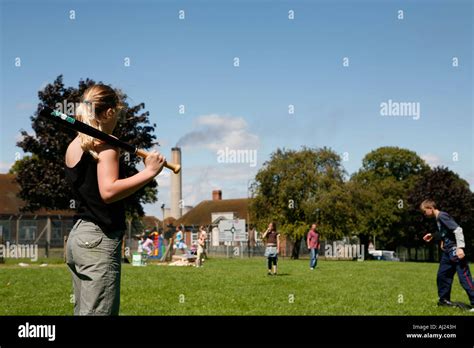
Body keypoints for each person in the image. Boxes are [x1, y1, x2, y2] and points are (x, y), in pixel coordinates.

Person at [65, 84, 165, 315]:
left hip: (78, 239)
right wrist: (148, 173)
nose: (117, 120)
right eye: (118, 114)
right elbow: (108, 192)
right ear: (110, 112)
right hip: (98, 239)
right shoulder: (106, 144)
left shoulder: (75, 145)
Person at [420, 199, 474, 310]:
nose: (424, 214)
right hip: (447, 252)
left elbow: (458, 230)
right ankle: (444, 301)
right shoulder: (438, 219)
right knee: (442, 276)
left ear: (430, 208)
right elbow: (445, 232)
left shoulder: (442, 216)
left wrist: (460, 248)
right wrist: (434, 235)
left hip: (455, 250)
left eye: (424, 211)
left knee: (464, 278)